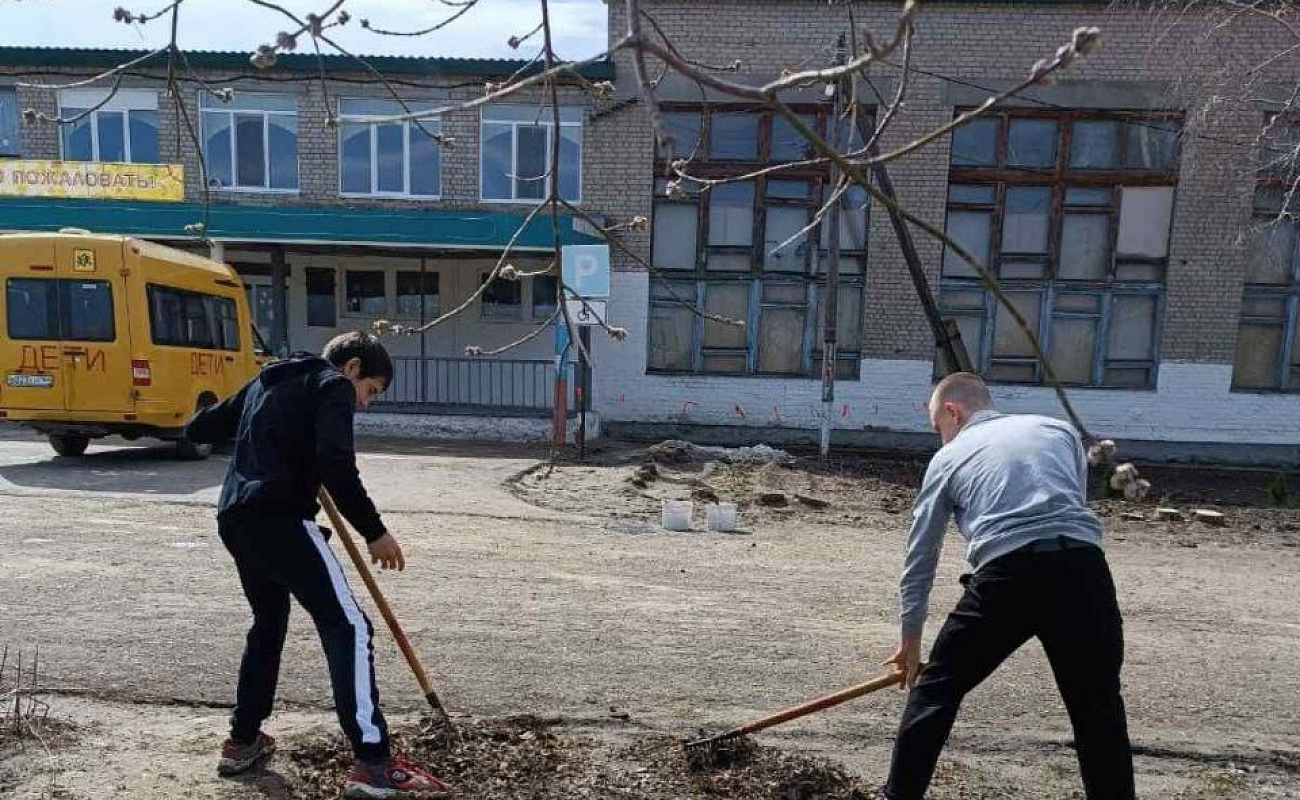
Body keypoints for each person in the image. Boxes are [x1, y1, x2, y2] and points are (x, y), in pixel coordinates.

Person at [186, 331, 453, 800]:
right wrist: (374, 530)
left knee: (269, 622)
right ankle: (373, 762)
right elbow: (335, 460)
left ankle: (242, 740)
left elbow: (200, 428)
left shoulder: (266, 382)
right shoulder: (331, 385)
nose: (365, 404)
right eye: (370, 391)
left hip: (236, 518)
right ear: (351, 368)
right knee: (350, 627)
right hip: (282, 519)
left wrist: (281, 441)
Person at [880, 372, 1134, 800]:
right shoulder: (1058, 430)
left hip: (1008, 577)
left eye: (936, 427)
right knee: (1098, 709)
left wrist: (911, 642)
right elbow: (1071, 502)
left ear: (952, 412)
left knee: (936, 692)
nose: (939, 438)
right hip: (1084, 571)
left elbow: (920, 557)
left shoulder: (948, 457)